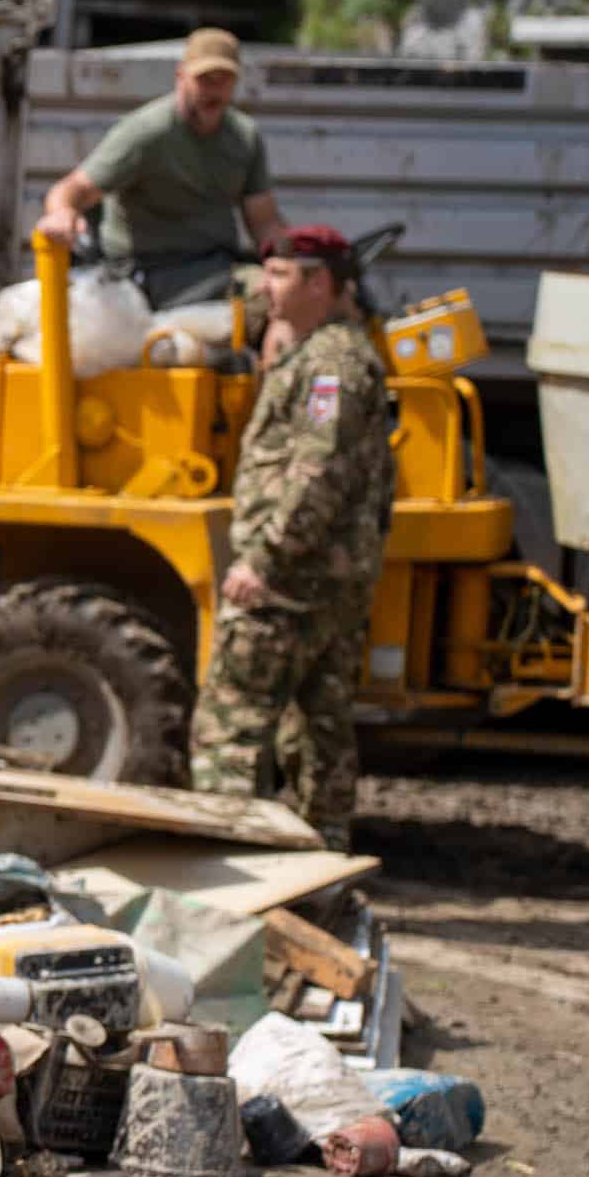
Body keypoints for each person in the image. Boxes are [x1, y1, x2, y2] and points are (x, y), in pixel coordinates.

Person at [187, 224, 394, 848]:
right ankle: (321, 863)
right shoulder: (331, 353)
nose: (264, 288)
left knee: (231, 723)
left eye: (279, 276)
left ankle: (228, 864)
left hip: (290, 581)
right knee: (318, 729)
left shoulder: (330, 366)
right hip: (327, 581)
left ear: (319, 283)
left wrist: (264, 560)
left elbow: (316, 472)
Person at [34, 28, 284, 309]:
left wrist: (289, 261)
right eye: (204, 79)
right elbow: (74, 188)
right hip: (149, 272)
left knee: (290, 292)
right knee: (261, 298)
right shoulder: (147, 133)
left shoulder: (244, 137)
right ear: (180, 76)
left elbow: (264, 221)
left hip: (217, 264)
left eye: (224, 79)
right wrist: (62, 213)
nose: (213, 90)